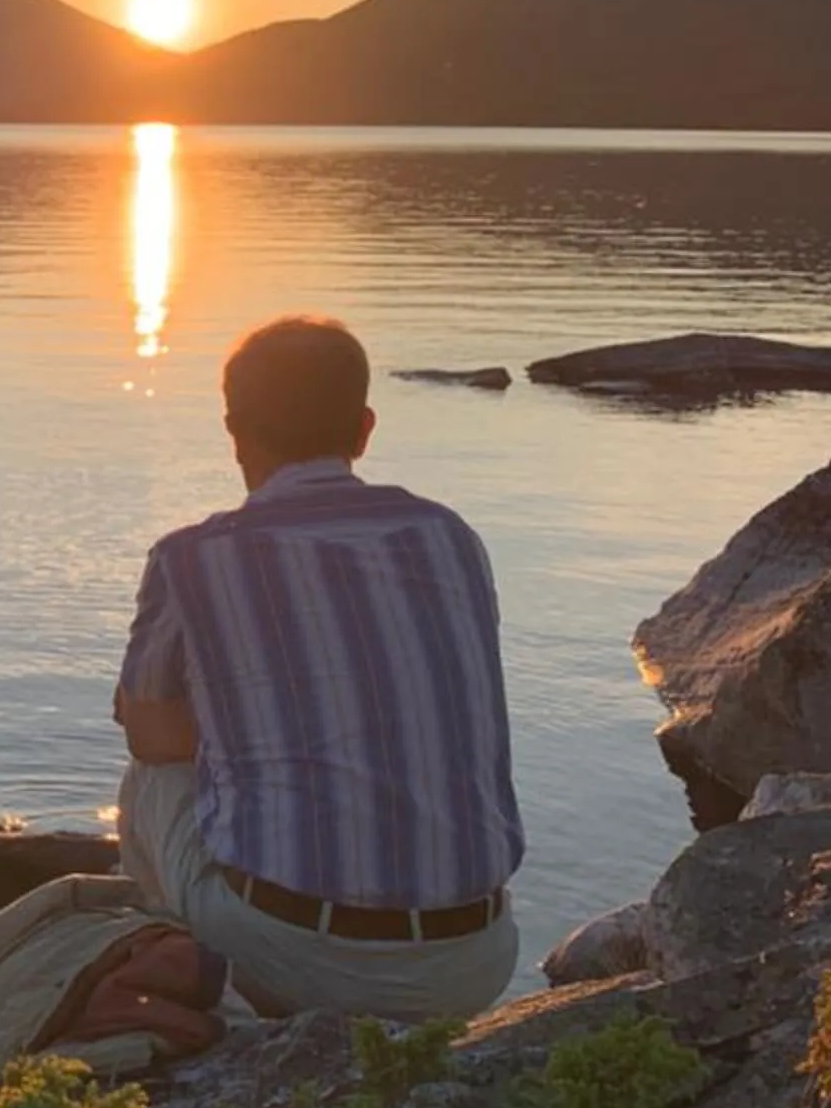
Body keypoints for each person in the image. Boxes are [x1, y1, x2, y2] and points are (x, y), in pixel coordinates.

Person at [113, 313, 523, 1022]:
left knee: (150, 780)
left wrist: (250, 733)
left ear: (234, 431)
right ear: (364, 429)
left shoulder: (192, 559)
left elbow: (147, 736)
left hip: (297, 963)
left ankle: (190, 1000)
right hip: (475, 962)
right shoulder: (449, 537)